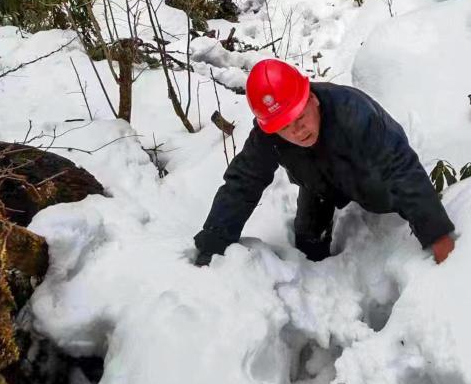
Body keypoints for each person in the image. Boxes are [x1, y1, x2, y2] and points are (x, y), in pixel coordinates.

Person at [194, 59, 455, 266]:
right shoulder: (268, 135)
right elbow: (244, 181)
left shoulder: (355, 114)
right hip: (317, 183)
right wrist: (214, 240)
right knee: (308, 241)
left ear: (311, 98)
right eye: (283, 127)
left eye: (300, 117)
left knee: (384, 200)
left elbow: (400, 168)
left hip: (367, 175)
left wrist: (436, 234)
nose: (296, 131)